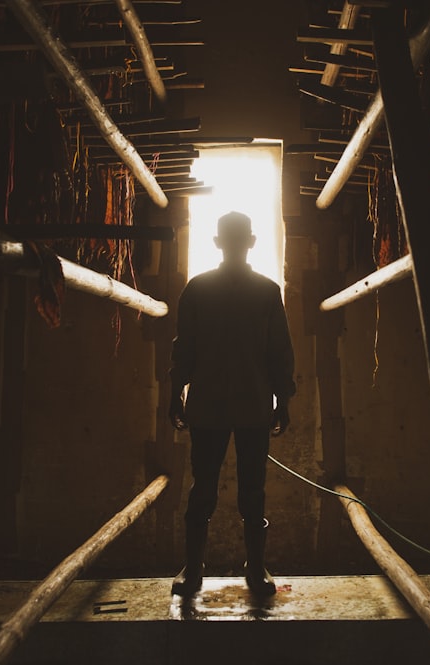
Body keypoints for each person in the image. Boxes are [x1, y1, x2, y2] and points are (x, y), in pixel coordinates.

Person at [168, 211, 296, 598]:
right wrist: (175, 392)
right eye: (234, 239)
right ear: (232, 243)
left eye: (237, 239)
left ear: (220, 242)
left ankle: (231, 570)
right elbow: (185, 349)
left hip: (229, 404)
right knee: (216, 490)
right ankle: (221, 570)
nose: (237, 245)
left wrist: (283, 398)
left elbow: (278, 352)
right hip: (233, 404)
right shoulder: (208, 290)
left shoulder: (253, 291)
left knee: (231, 490)